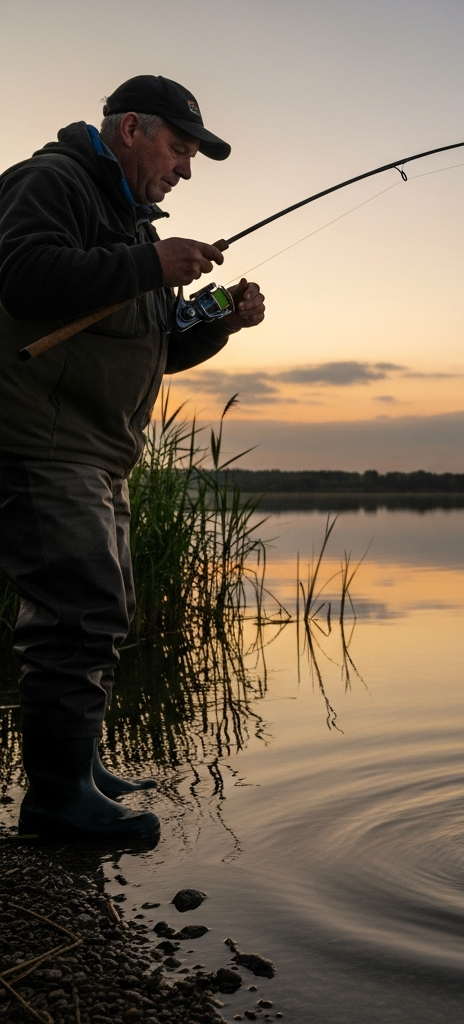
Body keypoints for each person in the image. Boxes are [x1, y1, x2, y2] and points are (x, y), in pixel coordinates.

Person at [0, 75, 266, 842]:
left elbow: (155, 345)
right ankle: (55, 805)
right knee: (78, 612)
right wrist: (152, 265)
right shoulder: (50, 182)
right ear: (130, 130)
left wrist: (220, 323)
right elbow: (22, 279)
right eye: (180, 148)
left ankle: (74, 767)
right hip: (39, 442)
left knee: (99, 610)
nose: (185, 168)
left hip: (98, 453)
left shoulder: (131, 226)